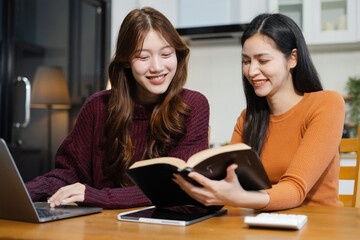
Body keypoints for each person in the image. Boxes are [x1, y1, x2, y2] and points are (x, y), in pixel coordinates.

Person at [26, 7, 210, 209]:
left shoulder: (193, 105)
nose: (157, 67)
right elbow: (67, 174)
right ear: (126, 62)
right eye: (143, 57)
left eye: (166, 54)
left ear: (178, 55)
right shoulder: (98, 106)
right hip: (104, 226)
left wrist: (96, 196)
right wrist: (22, 193)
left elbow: (174, 185)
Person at [174, 13, 345, 211]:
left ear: (292, 59)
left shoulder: (326, 104)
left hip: (319, 226)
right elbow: (231, 181)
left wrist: (239, 198)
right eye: (246, 61)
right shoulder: (247, 118)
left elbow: (296, 189)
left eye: (262, 61)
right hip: (262, 224)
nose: (252, 71)